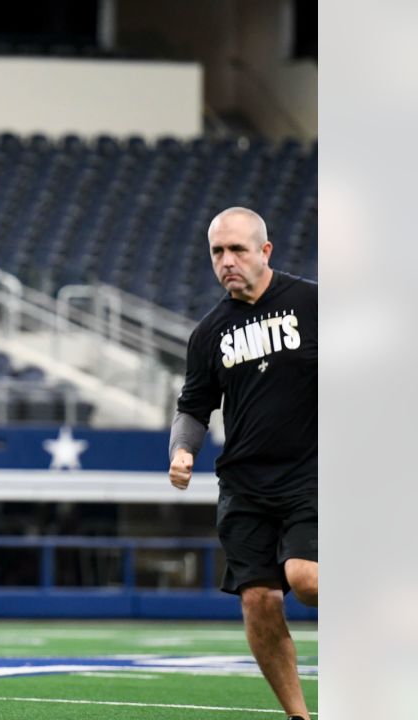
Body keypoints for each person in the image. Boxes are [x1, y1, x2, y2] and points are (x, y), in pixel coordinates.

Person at [169, 207, 317, 720]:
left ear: (265, 251)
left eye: (238, 250)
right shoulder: (209, 333)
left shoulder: (313, 303)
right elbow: (193, 407)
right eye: (217, 252)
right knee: (258, 600)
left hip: (313, 473)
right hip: (245, 485)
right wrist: (182, 450)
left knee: (307, 579)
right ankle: (299, 716)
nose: (227, 261)